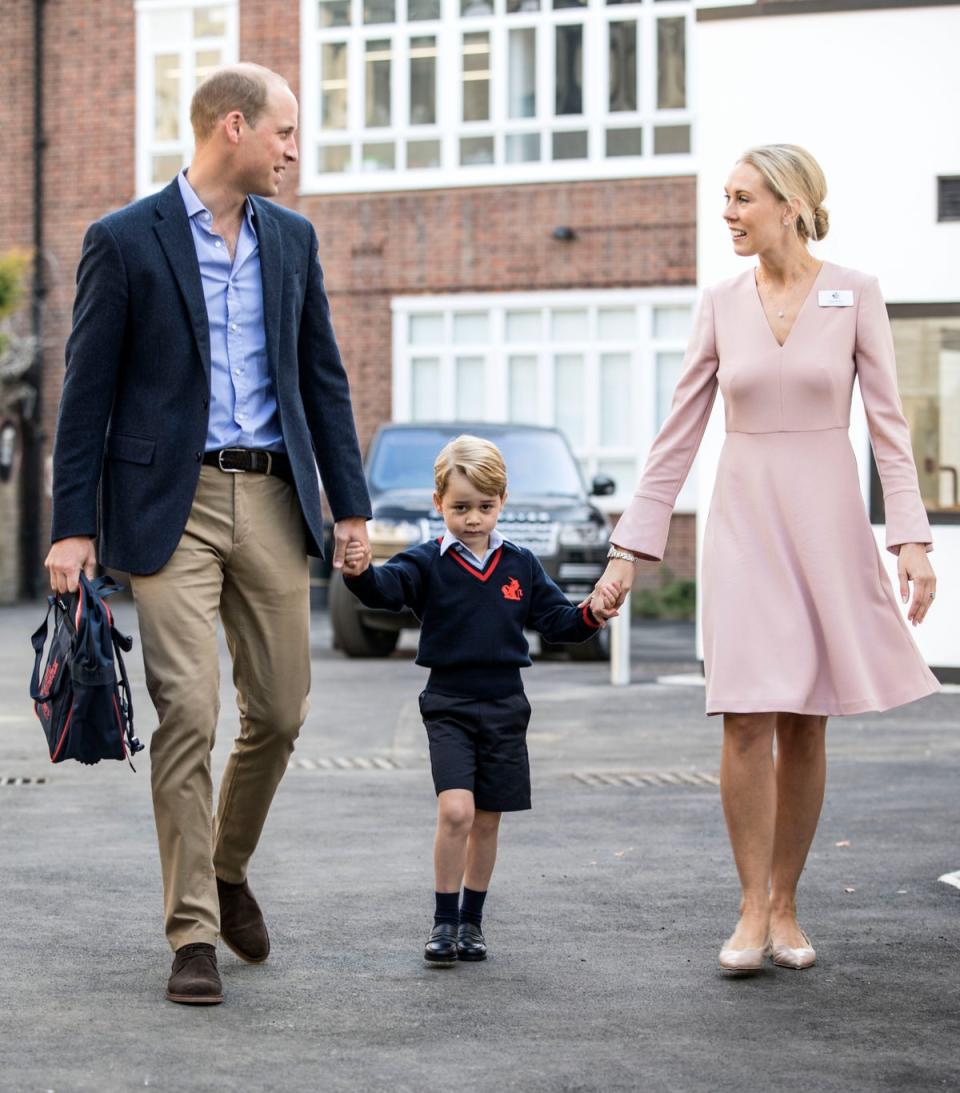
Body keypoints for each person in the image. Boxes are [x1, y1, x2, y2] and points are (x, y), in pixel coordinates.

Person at [45, 64, 372, 1005]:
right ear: (235, 127)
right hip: (167, 507)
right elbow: (85, 396)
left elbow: (324, 379)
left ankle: (227, 868)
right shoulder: (123, 240)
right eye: (285, 134)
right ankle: (192, 930)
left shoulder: (294, 240)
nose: (294, 153)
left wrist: (348, 510)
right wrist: (73, 529)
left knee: (280, 710)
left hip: (272, 497)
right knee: (188, 710)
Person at [594, 144, 939, 973]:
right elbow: (679, 432)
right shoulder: (719, 303)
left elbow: (890, 428)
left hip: (825, 521)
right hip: (744, 522)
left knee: (805, 718)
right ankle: (750, 907)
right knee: (746, 713)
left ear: (790, 203)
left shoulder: (853, 293)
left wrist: (912, 537)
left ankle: (787, 901)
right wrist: (628, 548)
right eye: (726, 198)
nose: (729, 214)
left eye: (743, 199)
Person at [341, 435, 618, 965]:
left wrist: (592, 613)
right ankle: (444, 922)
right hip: (448, 704)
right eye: (460, 507)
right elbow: (385, 589)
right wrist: (359, 573)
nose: (473, 519)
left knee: (487, 820)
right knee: (456, 811)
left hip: (505, 708)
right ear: (438, 503)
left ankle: (472, 923)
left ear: (502, 501)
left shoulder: (520, 564)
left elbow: (558, 623)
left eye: (485, 507)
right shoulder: (426, 562)